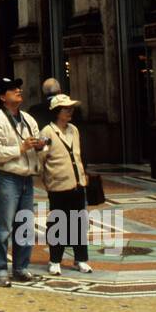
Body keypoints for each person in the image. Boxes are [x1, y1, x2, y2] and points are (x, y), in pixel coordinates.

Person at [0, 76, 46, 287]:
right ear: (3, 97)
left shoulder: (28, 119)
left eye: (18, 88)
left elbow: (40, 146)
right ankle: (0, 269)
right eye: (12, 89)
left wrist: (40, 147)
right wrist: (21, 148)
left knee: (25, 225)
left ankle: (20, 267)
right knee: (5, 226)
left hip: (27, 178)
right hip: (7, 177)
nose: (19, 91)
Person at [40, 94, 92, 275]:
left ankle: (81, 259)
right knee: (58, 223)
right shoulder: (47, 132)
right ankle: (55, 260)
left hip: (77, 184)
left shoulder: (74, 130)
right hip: (58, 186)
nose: (70, 112)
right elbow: (42, 158)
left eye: (71, 109)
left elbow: (78, 155)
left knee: (79, 222)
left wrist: (83, 176)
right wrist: (48, 181)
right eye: (65, 109)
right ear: (56, 112)